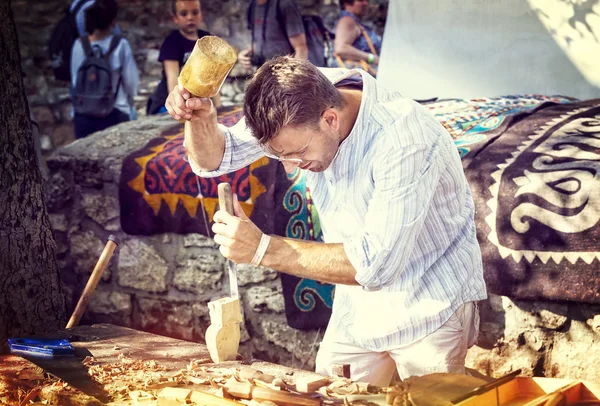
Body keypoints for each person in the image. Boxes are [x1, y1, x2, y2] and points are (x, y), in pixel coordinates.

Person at [166, 57, 487, 385]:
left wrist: (262, 248)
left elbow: (376, 265)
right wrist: (199, 119)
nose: (290, 168)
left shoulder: (406, 139)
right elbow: (214, 159)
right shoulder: (288, 100)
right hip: (358, 308)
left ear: (330, 119)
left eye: (298, 154)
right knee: (330, 395)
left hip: (430, 305)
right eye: (281, 156)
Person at [70, 0, 139, 139]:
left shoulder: (78, 45)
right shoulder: (121, 45)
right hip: (115, 112)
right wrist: (130, 103)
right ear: (113, 21)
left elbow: (75, 81)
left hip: (84, 117)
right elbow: (131, 83)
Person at [147, 0, 220, 115]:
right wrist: (179, 107)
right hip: (169, 101)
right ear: (175, 18)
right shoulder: (172, 42)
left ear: (202, 15)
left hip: (197, 99)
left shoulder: (208, 40)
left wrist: (218, 108)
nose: (190, 17)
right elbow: (173, 79)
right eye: (184, 14)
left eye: (195, 12)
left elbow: (213, 79)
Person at [237, 0, 308, 71]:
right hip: (262, 72)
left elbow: (301, 48)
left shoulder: (284, 4)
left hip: (283, 73)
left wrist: (294, 76)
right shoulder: (252, 6)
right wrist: (243, 55)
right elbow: (260, 41)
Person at [333, 0, 382, 74]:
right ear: (347, 3)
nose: (365, 3)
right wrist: (371, 58)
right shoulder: (347, 20)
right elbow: (341, 49)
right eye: (360, 0)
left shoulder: (354, 20)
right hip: (356, 77)